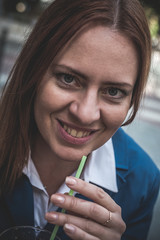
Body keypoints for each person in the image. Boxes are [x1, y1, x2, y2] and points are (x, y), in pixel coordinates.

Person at [0, 0, 159, 239]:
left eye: (113, 91)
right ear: (34, 68)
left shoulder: (142, 181)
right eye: (68, 78)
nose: (85, 113)